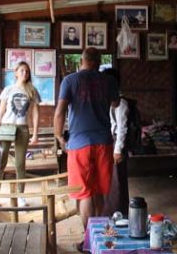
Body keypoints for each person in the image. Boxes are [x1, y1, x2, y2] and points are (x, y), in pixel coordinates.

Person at [54, 48, 120, 251]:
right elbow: (116, 103)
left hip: (79, 143)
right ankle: (100, 240)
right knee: (99, 191)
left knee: (84, 194)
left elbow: (60, 112)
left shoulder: (69, 80)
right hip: (103, 141)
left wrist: (60, 138)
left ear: (82, 60)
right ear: (99, 62)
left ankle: (89, 241)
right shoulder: (108, 81)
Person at [0, 61, 40, 206]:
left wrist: (35, 133)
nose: (24, 73)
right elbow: (0, 112)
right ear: (16, 72)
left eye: (26, 71)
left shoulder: (32, 90)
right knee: (1, 160)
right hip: (6, 127)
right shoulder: (8, 89)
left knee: (20, 163)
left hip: (22, 128)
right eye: (21, 71)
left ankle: (20, 196)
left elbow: (35, 113)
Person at [101, 68, 129, 217]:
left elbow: (122, 128)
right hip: (111, 143)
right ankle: (113, 211)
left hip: (117, 144)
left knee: (117, 181)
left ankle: (119, 212)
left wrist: (118, 149)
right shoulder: (110, 101)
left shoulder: (121, 103)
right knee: (112, 180)